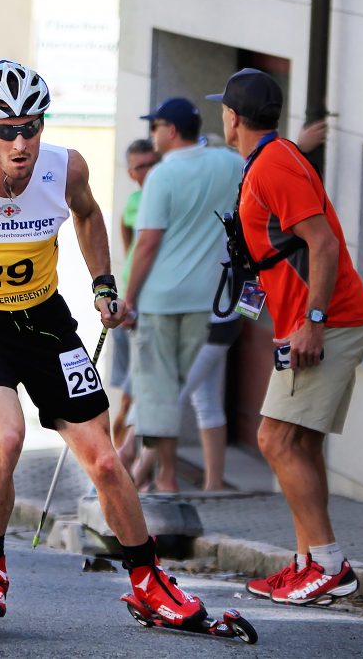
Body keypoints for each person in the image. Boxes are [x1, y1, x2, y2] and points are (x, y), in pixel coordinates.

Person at [0, 59, 209, 631]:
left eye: (31, 126)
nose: (21, 142)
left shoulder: (64, 167)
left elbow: (90, 213)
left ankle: (149, 583)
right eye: (6, 130)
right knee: (6, 436)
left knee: (103, 457)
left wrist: (103, 284)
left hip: (46, 321)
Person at [214, 67, 363, 606]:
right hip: (312, 320)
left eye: (224, 111)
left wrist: (314, 321)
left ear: (232, 117)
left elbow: (322, 244)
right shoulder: (270, 159)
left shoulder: (274, 165)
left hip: (327, 321)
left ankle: (328, 564)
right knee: (299, 442)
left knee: (274, 440)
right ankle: (309, 561)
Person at [121, 97, 241, 493]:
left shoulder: (163, 176)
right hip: (204, 302)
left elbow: (148, 243)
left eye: (155, 127)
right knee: (178, 391)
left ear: (170, 132)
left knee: (158, 394)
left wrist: (129, 298)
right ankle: (156, 479)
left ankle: (165, 481)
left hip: (160, 300)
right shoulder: (226, 163)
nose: (152, 134)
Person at [109, 139, 157, 455]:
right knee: (129, 383)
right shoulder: (135, 200)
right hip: (130, 300)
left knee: (140, 382)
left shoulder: (162, 196)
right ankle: (121, 445)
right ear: (130, 172)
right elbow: (128, 237)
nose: (148, 171)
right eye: (140, 166)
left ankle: (127, 448)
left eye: (152, 164)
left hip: (150, 303)